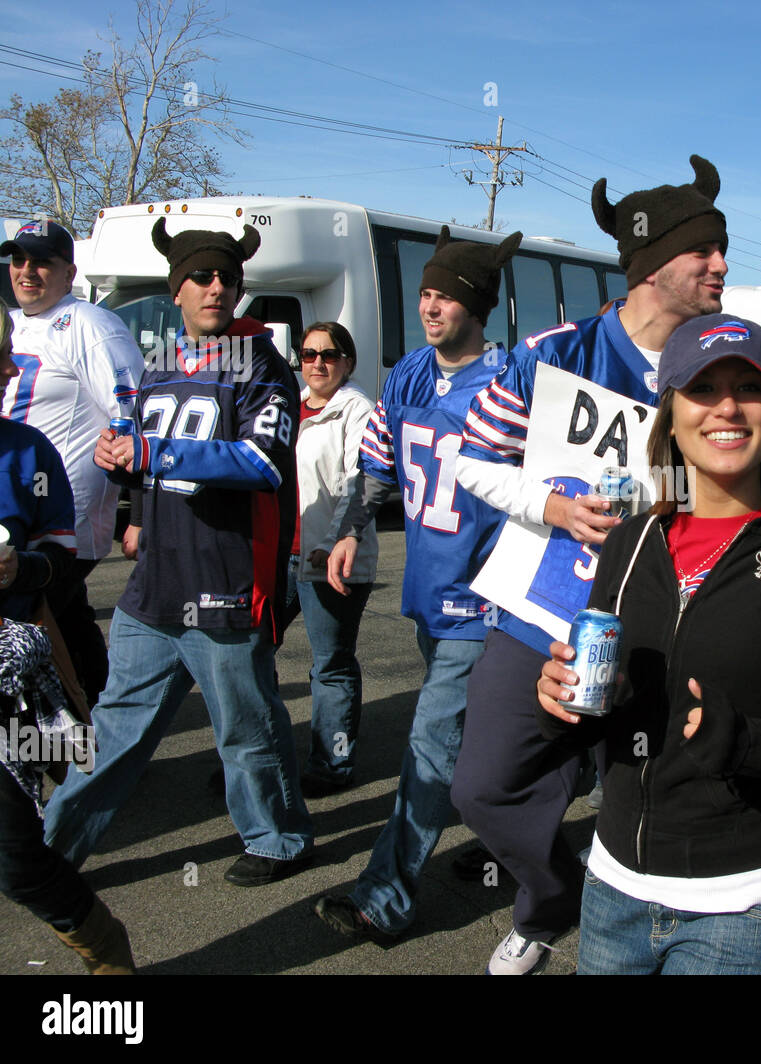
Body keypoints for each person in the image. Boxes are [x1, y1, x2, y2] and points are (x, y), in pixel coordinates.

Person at [450, 155, 761, 975]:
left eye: (723, 251)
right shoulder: (556, 352)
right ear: (651, 265)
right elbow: (471, 460)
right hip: (553, 612)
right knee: (483, 785)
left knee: (660, 795)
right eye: (705, 253)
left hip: (689, 624)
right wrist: (550, 506)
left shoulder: (747, 360)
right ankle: (551, 898)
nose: (723, 266)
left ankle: (678, 923)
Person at [532, 313, 761, 974]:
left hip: (748, 906)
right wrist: (563, 700)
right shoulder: (630, 541)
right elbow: (598, 709)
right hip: (613, 885)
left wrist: (751, 744)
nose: (726, 406)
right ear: (670, 415)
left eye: (748, 387)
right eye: (702, 388)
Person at [43, 219, 314, 887]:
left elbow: (261, 462)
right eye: (201, 275)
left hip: (225, 586)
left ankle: (279, 839)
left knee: (245, 732)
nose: (216, 287)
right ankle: (47, 850)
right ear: (177, 290)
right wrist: (123, 466)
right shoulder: (162, 362)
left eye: (227, 276)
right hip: (153, 585)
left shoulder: (264, 366)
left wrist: (150, 453)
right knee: (110, 732)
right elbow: (141, 451)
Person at [312, 228, 521, 943]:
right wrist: (348, 528)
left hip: (484, 599)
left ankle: (385, 895)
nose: (430, 307)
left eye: (445, 296)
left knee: (432, 742)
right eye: (426, 293)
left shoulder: (512, 383)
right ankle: (525, 838)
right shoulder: (405, 376)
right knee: (487, 741)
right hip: (430, 592)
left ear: (478, 305)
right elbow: (375, 465)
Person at [0, 291, 135, 974]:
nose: (7, 380)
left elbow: (58, 558)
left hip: (3, 689)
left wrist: (21, 566)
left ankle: (105, 950)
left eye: (7, 366)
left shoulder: (27, 451)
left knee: (17, 862)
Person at [0, 221, 146, 707]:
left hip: (65, 521)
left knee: (34, 633)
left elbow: (134, 414)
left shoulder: (88, 323)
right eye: (19, 259)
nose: (27, 271)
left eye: (42, 261)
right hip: (14, 517)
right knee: (69, 626)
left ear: (69, 273)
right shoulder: (12, 323)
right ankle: (103, 733)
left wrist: (140, 512)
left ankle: (67, 741)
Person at [283, 322, 378, 795]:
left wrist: (338, 538)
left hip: (328, 559)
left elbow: (357, 482)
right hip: (281, 552)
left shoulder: (356, 410)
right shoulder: (287, 405)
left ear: (348, 361)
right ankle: (261, 758)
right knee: (252, 655)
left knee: (331, 665)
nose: (318, 363)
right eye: (308, 354)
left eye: (330, 354)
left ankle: (332, 765)